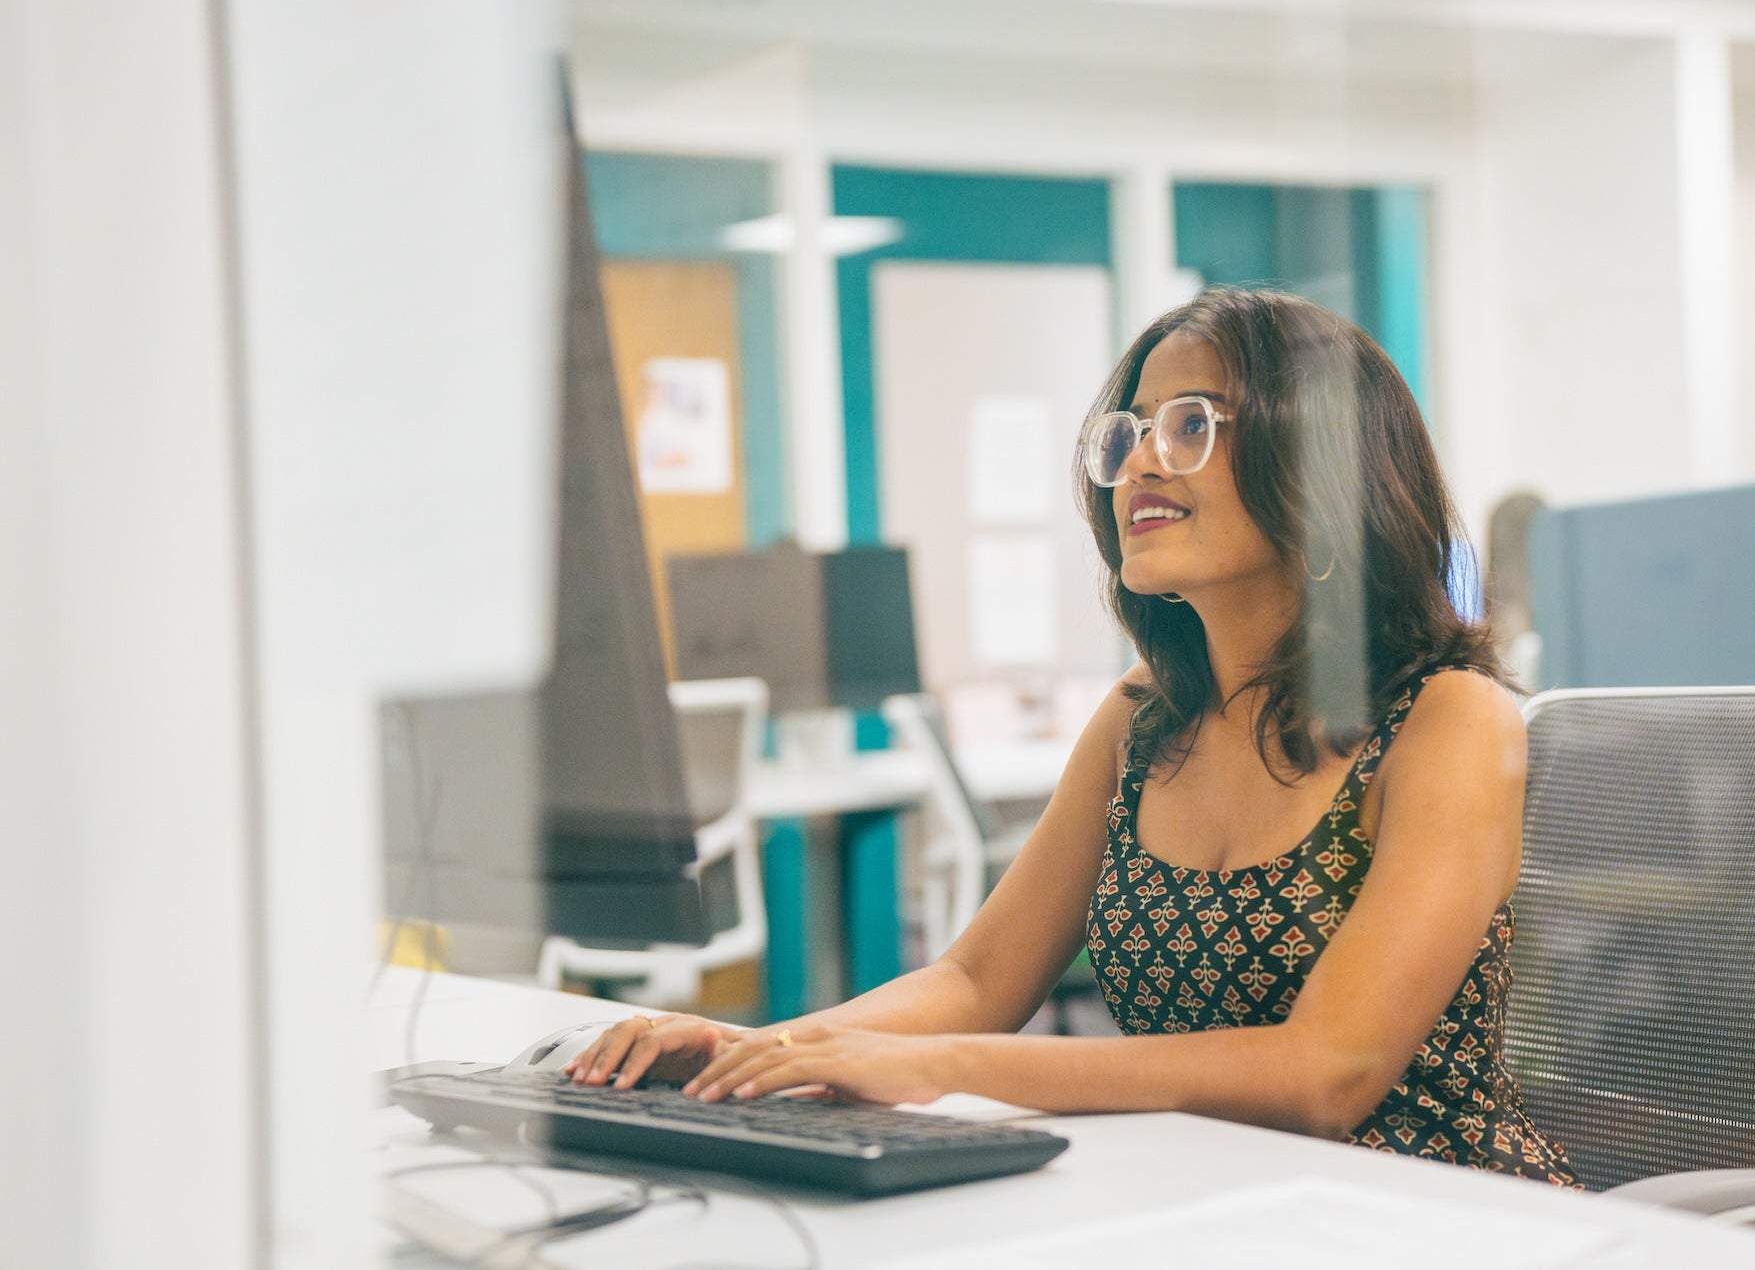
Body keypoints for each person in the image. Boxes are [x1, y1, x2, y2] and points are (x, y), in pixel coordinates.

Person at [566, 286, 1579, 1186]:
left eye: (1190, 424)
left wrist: (939, 1069)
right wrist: (758, 1046)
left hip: (1435, 1217)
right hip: (1207, 1201)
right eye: (1128, 431)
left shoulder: (1444, 718)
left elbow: (1326, 1072)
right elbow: (975, 980)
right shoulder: (1145, 718)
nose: (1137, 459)